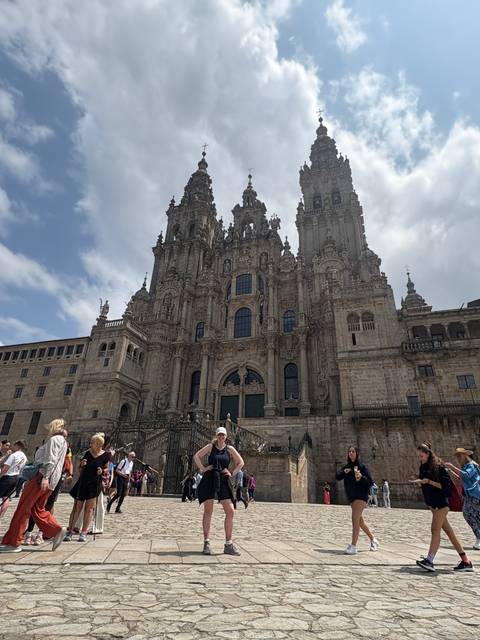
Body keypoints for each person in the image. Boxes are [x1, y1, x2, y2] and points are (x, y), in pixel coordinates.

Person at [0, 419, 67, 553]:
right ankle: (56, 530)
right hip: (51, 480)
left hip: (41, 478)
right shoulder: (64, 442)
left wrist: (45, 477)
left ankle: (14, 542)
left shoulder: (54, 440)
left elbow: (50, 460)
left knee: (23, 508)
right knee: (37, 509)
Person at [412, 441, 473, 572]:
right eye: (419, 456)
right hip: (433, 505)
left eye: (421, 455)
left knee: (435, 530)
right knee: (450, 533)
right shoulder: (423, 467)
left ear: (428, 454)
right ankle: (466, 561)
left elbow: (447, 488)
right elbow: (426, 484)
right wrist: (420, 482)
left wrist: (428, 481)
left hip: (441, 504)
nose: (420, 458)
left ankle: (429, 560)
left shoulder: (439, 467)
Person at [194, 426, 244, 556]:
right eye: (219, 435)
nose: (221, 437)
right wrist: (204, 469)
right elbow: (197, 456)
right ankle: (206, 542)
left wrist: (232, 473)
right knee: (208, 511)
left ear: (226, 436)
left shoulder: (230, 449)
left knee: (230, 511)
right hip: (210, 478)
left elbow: (241, 462)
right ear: (216, 436)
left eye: (223, 435)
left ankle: (228, 544)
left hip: (223, 479)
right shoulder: (211, 446)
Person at [24, 438, 74, 545]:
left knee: (44, 506)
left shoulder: (66, 450)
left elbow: (67, 465)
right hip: (45, 478)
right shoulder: (45, 447)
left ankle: (42, 533)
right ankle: (30, 532)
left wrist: (68, 474)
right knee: (36, 506)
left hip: (51, 480)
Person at [64, 433, 110, 542]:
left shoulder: (106, 455)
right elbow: (80, 469)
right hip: (83, 483)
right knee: (77, 508)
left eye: (92, 443)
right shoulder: (87, 454)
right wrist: (81, 465)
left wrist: (102, 471)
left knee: (89, 509)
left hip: (94, 484)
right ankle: (70, 531)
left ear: (98, 444)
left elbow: (107, 468)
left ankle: (83, 532)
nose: (90, 444)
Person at [336, 445, 379, 555]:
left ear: (357, 453)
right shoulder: (346, 467)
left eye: (353, 451)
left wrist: (361, 477)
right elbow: (337, 477)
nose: (351, 453)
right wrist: (343, 472)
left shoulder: (362, 467)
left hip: (361, 496)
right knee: (360, 522)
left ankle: (353, 546)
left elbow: (370, 481)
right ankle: (373, 540)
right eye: (349, 451)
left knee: (354, 519)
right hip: (352, 497)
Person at [445, 447, 480, 551]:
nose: (458, 458)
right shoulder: (465, 467)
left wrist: (452, 467)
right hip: (469, 495)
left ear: (465, 456)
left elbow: (467, 476)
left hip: (475, 495)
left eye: (459, 456)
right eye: (457, 456)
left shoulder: (471, 465)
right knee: (473, 515)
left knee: (468, 514)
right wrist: (451, 471)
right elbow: (461, 479)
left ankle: (479, 537)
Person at [0, 441, 27, 519]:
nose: (12, 447)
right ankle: (0, 516)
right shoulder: (24, 457)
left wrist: (0, 475)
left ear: (17, 446)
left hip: (7, 477)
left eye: (14, 445)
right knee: (6, 497)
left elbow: (6, 468)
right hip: (15, 477)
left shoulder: (14, 455)